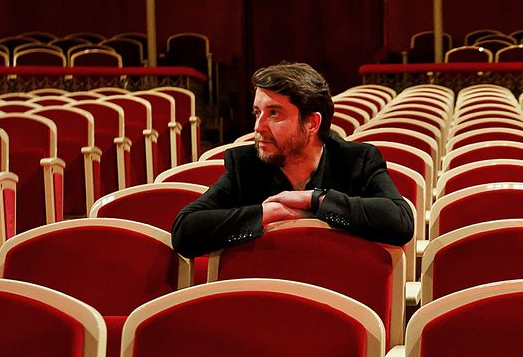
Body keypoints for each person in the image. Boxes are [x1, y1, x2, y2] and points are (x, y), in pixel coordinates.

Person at [171, 62, 415, 258]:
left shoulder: (356, 160)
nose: (258, 127)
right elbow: (185, 230)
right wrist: (266, 213)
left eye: (274, 113)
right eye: (257, 113)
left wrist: (315, 200)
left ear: (312, 123)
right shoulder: (246, 165)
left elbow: (400, 221)